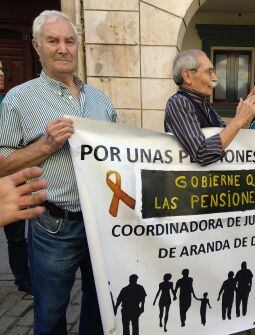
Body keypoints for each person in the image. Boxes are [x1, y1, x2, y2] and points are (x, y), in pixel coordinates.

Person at [0, 10, 117, 334]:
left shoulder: (100, 100)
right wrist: (44, 146)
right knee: (50, 315)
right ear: (37, 47)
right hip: (54, 225)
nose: (63, 48)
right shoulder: (18, 99)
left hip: (103, 225)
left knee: (102, 309)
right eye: (53, 40)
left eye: (69, 40)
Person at [164, 49, 255, 166]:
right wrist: (239, 120)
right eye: (209, 72)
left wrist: (245, 118)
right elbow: (202, 154)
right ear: (187, 76)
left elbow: (227, 137)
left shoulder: (205, 105)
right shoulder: (179, 102)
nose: (215, 78)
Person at [0, 59, 33, 294]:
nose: (0, 74)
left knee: (16, 236)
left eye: (1, 69)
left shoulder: (10, 102)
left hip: (10, 177)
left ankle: (23, 279)